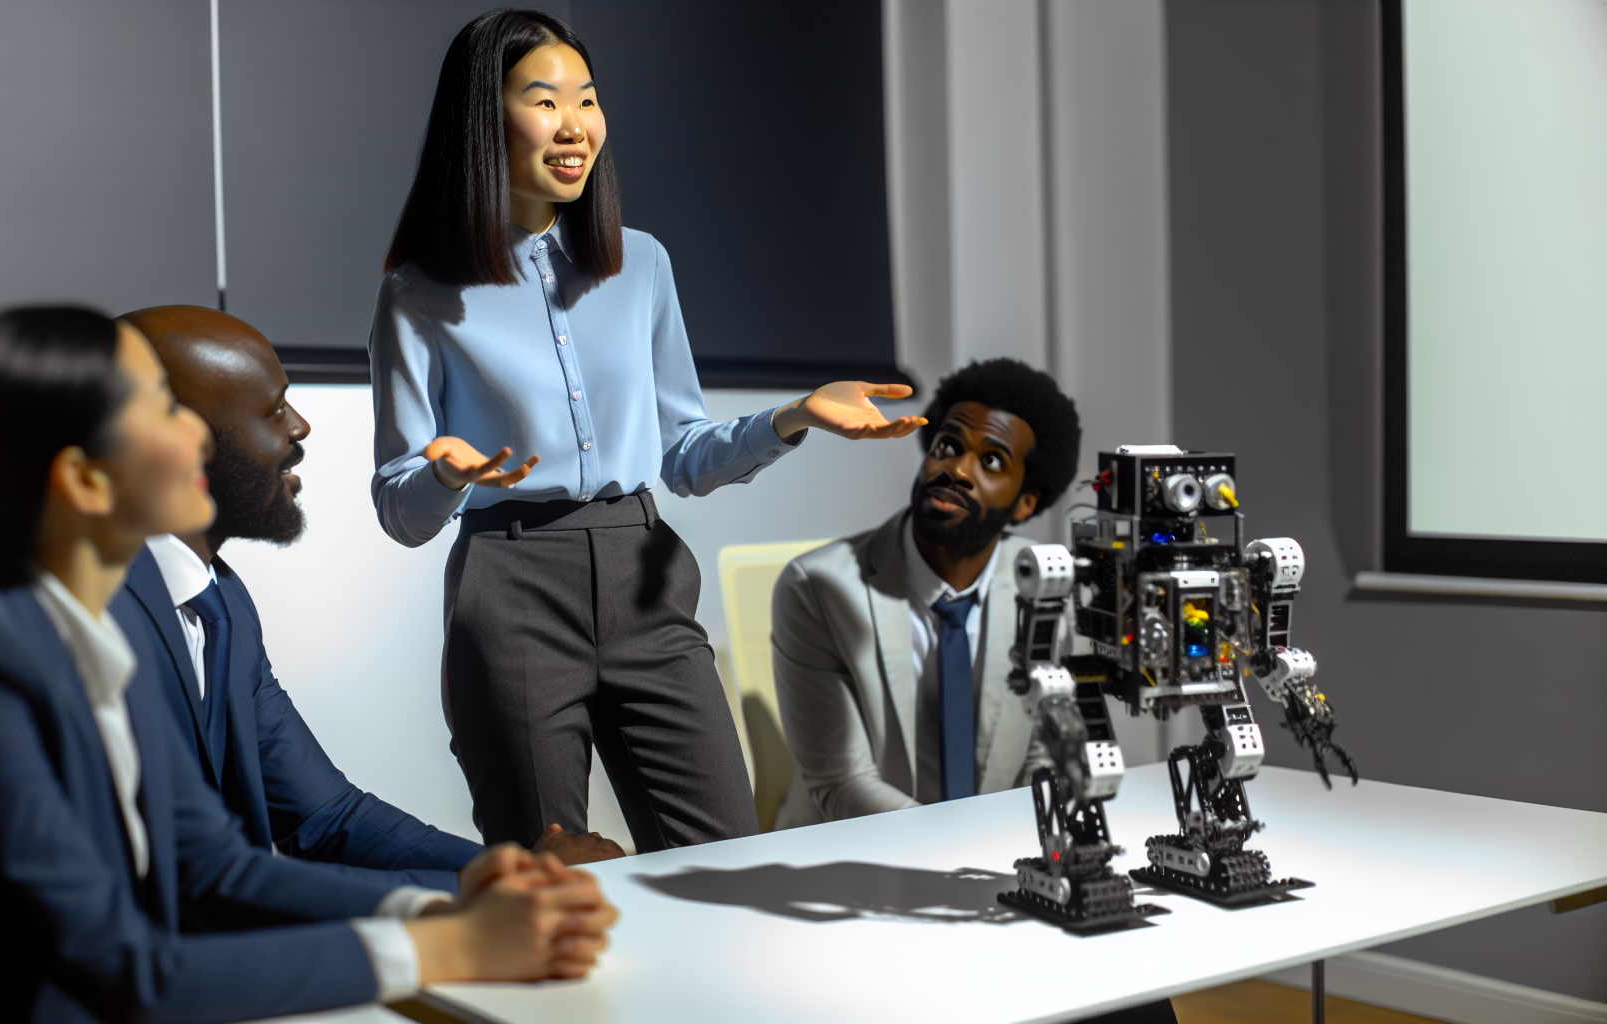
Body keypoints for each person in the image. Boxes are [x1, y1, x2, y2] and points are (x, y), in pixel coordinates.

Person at [0, 306, 615, 1021]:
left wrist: (453, 904)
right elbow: (119, 972)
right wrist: (452, 949)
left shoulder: (84, 630)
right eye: (162, 411)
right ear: (85, 480)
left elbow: (213, 867)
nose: (199, 433)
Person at [369, 8, 925, 854]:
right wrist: (444, 475)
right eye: (544, 101)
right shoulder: (418, 293)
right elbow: (399, 510)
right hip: (509, 584)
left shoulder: (644, 265)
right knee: (553, 877)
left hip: (647, 576)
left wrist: (793, 417)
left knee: (726, 860)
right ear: (484, 119)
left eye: (587, 101)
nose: (575, 126)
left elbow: (684, 458)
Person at [114, 304, 625, 892]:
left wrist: (516, 872)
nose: (301, 427)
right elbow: (202, 887)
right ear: (177, 442)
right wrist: (498, 894)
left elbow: (326, 819)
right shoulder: (104, 620)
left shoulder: (223, 603)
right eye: (274, 409)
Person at [771, 359, 1081, 829]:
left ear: (1026, 501)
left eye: (991, 460)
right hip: (844, 859)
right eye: (948, 445)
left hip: (991, 863)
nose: (956, 469)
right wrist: (965, 848)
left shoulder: (1044, 586)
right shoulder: (817, 588)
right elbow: (843, 784)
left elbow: (1043, 754)